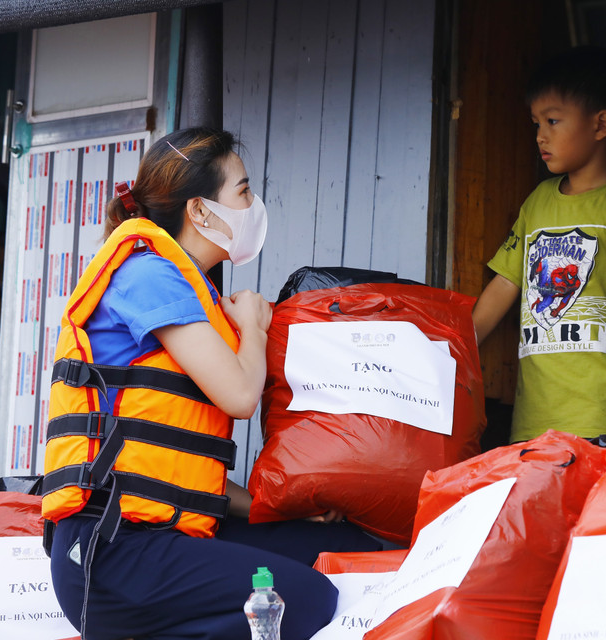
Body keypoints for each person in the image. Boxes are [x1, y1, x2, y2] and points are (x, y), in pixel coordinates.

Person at [43, 128, 380, 640]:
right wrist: (257, 328)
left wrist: (288, 508)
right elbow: (242, 395)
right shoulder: (149, 278)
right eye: (243, 191)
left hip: (165, 534)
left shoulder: (187, 288)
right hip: (110, 553)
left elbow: (183, 473)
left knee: (348, 547)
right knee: (302, 599)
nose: (255, 204)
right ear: (200, 211)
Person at [472, 46, 606, 445]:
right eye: (536, 123)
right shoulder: (538, 201)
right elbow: (505, 285)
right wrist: (453, 351)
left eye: (553, 121)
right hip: (533, 416)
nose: (540, 136)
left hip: (603, 413)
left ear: (601, 125)